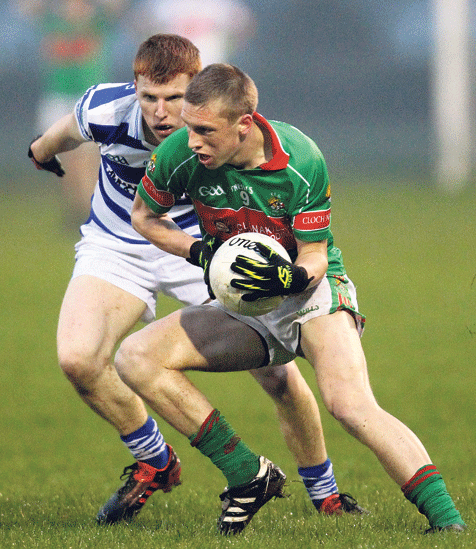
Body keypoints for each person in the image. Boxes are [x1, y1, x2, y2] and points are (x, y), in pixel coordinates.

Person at [28, 35, 364, 526]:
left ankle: (325, 492)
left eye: (175, 99)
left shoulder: (210, 128)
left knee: (277, 374)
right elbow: (61, 132)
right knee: (78, 358)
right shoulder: (107, 108)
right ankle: (157, 460)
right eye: (149, 98)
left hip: (208, 247)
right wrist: (41, 152)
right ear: (135, 88)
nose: (162, 113)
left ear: (199, 93)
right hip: (117, 244)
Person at [119, 63, 467, 535]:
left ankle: (448, 524)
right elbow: (144, 216)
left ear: (244, 125)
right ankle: (248, 474)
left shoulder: (300, 159)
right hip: (242, 305)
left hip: (311, 296)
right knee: (136, 357)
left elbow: (316, 255)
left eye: (205, 131)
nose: (192, 140)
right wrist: (199, 251)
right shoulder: (181, 155)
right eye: (188, 127)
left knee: (349, 405)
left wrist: (290, 276)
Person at [19, 0, 127, 224]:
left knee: (90, 158)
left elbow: (117, 6)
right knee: (67, 160)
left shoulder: (98, 20)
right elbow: (27, 7)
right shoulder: (52, 20)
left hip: (89, 96)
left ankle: (92, 208)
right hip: (58, 95)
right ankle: (79, 208)